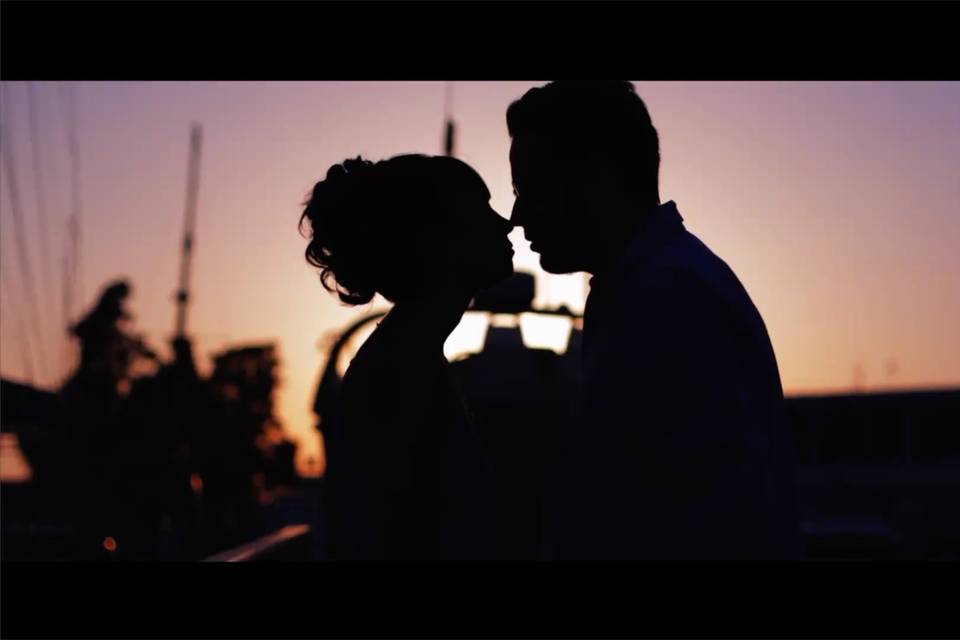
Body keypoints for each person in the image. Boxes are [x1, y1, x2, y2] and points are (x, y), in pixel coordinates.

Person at [507, 81, 801, 559]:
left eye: (531, 187)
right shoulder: (656, 284)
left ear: (596, 176)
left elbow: (715, 512)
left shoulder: (666, 295)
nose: (517, 215)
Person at [299, 154, 515, 560]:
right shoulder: (398, 377)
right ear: (437, 239)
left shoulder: (404, 359)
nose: (505, 223)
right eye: (480, 209)